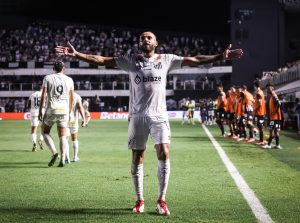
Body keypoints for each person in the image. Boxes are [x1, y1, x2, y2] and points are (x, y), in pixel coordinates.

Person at [55, 31, 243, 215]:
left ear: (156, 43)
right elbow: (102, 60)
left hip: (159, 115)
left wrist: (220, 56)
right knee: (138, 157)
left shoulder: (166, 59)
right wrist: (77, 54)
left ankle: (161, 200)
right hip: (138, 116)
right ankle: (140, 200)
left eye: (149, 37)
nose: (145, 39)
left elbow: (194, 60)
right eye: (142, 38)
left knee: (164, 152)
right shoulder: (130, 61)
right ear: (139, 43)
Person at [38, 60, 74, 167]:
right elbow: (71, 97)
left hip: (52, 109)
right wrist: (70, 111)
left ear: (53, 68)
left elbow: (43, 95)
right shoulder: (69, 80)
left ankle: (54, 152)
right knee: (62, 136)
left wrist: (40, 110)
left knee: (45, 132)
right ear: (63, 68)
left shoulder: (48, 78)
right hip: (64, 110)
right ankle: (62, 159)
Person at [65, 92, 86, 163]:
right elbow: (80, 108)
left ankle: (66, 158)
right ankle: (75, 157)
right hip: (73, 121)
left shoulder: (63, 95)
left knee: (65, 139)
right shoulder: (76, 96)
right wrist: (84, 119)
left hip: (64, 120)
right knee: (74, 139)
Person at [262, 84, 282, 149]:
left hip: (274, 117)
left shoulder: (273, 95)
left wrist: (273, 112)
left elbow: (279, 103)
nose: (267, 90)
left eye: (268, 88)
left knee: (271, 130)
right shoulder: (272, 96)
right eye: (267, 88)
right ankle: (277, 145)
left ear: (272, 88)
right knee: (276, 131)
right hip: (275, 117)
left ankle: (269, 144)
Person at [27, 88, 45, 152]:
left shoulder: (32, 95)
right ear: (41, 89)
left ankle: (34, 144)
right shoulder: (44, 95)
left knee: (33, 130)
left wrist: (32, 106)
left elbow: (28, 105)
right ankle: (40, 140)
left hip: (34, 113)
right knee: (44, 129)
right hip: (42, 113)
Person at [253, 80, 266, 145]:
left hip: (259, 112)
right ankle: (261, 139)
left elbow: (260, 103)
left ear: (255, 86)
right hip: (260, 112)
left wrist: (255, 109)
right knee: (259, 125)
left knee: (260, 126)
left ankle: (261, 140)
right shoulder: (261, 92)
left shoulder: (259, 93)